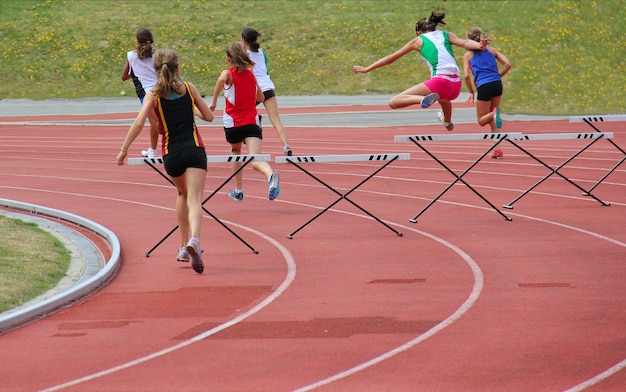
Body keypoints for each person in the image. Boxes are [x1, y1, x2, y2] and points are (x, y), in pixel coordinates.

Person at [117, 48, 214, 274]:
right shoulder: (189, 89)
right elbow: (209, 117)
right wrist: (193, 108)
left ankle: (182, 247)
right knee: (195, 199)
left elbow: (139, 123)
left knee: (182, 194)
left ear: (155, 69)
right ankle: (195, 240)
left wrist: (124, 150)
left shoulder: (153, 96)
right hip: (194, 149)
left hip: (171, 154)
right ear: (178, 68)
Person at [353, 10, 487, 131]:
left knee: (393, 102)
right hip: (455, 86)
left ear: (418, 32)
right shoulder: (446, 35)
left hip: (440, 82)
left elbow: (390, 59)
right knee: (444, 100)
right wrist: (479, 45)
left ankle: (422, 100)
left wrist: (367, 69)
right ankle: (447, 122)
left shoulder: (418, 40)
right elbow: (465, 43)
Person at [209, 42, 280, 202]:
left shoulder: (228, 74)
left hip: (233, 125)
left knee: (235, 152)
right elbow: (261, 98)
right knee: (256, 159)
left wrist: (214, 101)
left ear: (228, 59)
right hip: (252, 123)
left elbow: (221, 79)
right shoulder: (251, 75)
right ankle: (270, 176)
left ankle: (239, 190)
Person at [241, 27, 292, 156]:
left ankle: (256, 122)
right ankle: (286, 145)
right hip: (268, 87)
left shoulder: (244, 54)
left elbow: (247, 73)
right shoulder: (261, 52)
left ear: (243, 40)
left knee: (243, 113)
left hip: (256, 88)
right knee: (275, 119)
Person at [463, 26, 512, 158]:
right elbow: (508, 64)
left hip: (483, 86)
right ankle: (498, 149)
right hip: (497, 84)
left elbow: (466, 76)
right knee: (492, 120)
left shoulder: (468, 55)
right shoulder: (492, 50)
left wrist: (471, 92)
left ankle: (494, 113)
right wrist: (499, 75)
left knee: (481, 120)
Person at [121, 28, 160, 159]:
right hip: (161, 89)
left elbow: (124, 76)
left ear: (137, 41)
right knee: (162, 120)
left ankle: (154, 151)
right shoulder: (157, 55)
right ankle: (154, 150)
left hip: (146, 93)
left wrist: (138, 71)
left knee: (154, 122)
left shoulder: (131, 56)